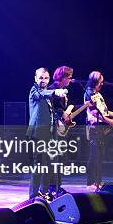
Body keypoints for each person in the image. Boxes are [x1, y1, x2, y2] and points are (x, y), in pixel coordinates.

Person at [84, 71, 113, 190]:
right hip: (94, 127)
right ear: (95, 82)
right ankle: (90, 183)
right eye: (100, 82)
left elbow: (105, 111)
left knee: (100, 156)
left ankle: (98, 182)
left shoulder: (98, 94)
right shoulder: (89, 94)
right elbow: (94, 113)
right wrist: (108, 121)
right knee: (94, 155)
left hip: (101, 127)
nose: (102, 84)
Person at [26, 67, 67, 199]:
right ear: (35, 78)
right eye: (41, 78)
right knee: (38, 165)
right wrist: (55, 91)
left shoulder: (47, 93)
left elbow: (50, 112)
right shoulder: (34, 90)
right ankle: (33, 196)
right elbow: (40, 95)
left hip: (49, 133)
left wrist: (58, 121)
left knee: (49, 165)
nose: (43, 80)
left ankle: (43, 193)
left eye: (46, 78)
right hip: (38, 133)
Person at [47, 65, 74, 198]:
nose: (70, 80)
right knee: (54, 157)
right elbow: (49, 107)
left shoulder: (63, 90)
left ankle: (58, 186)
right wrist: (62, 113)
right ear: (62, 77)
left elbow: (62, 108)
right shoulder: (52, 89)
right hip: (52, 127)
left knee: (60, 157)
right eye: (69, 77)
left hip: (60, 126)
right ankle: (52, 186)